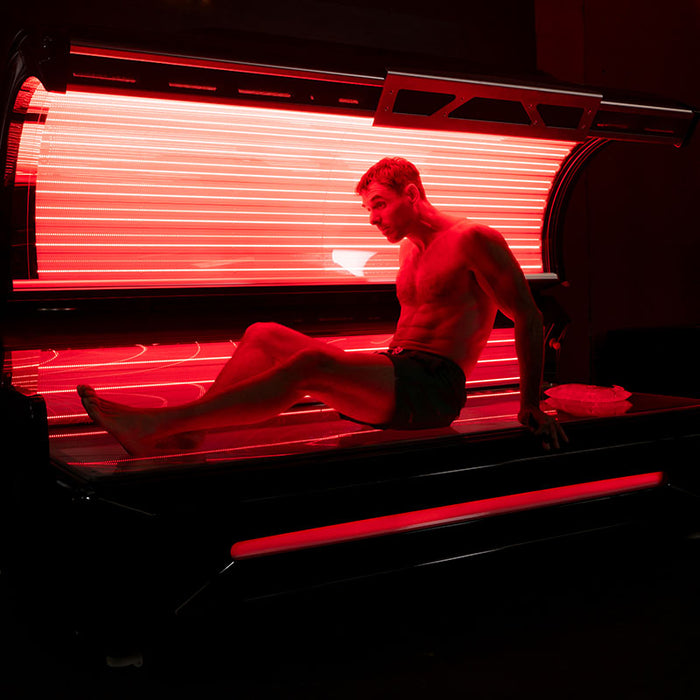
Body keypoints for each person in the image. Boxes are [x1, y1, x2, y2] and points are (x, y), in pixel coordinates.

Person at [78, 157, 567, 456]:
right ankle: (188, 436)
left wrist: (530, 404)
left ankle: (155, 426)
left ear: (411, 193)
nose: (372, 218)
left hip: (433, 390)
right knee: (263, 332)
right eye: (367, 209)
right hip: (396, 371)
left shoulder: (473, 239)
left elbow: (528, 315)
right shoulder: (408, 249)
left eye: (379, 204)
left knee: (310, 363)